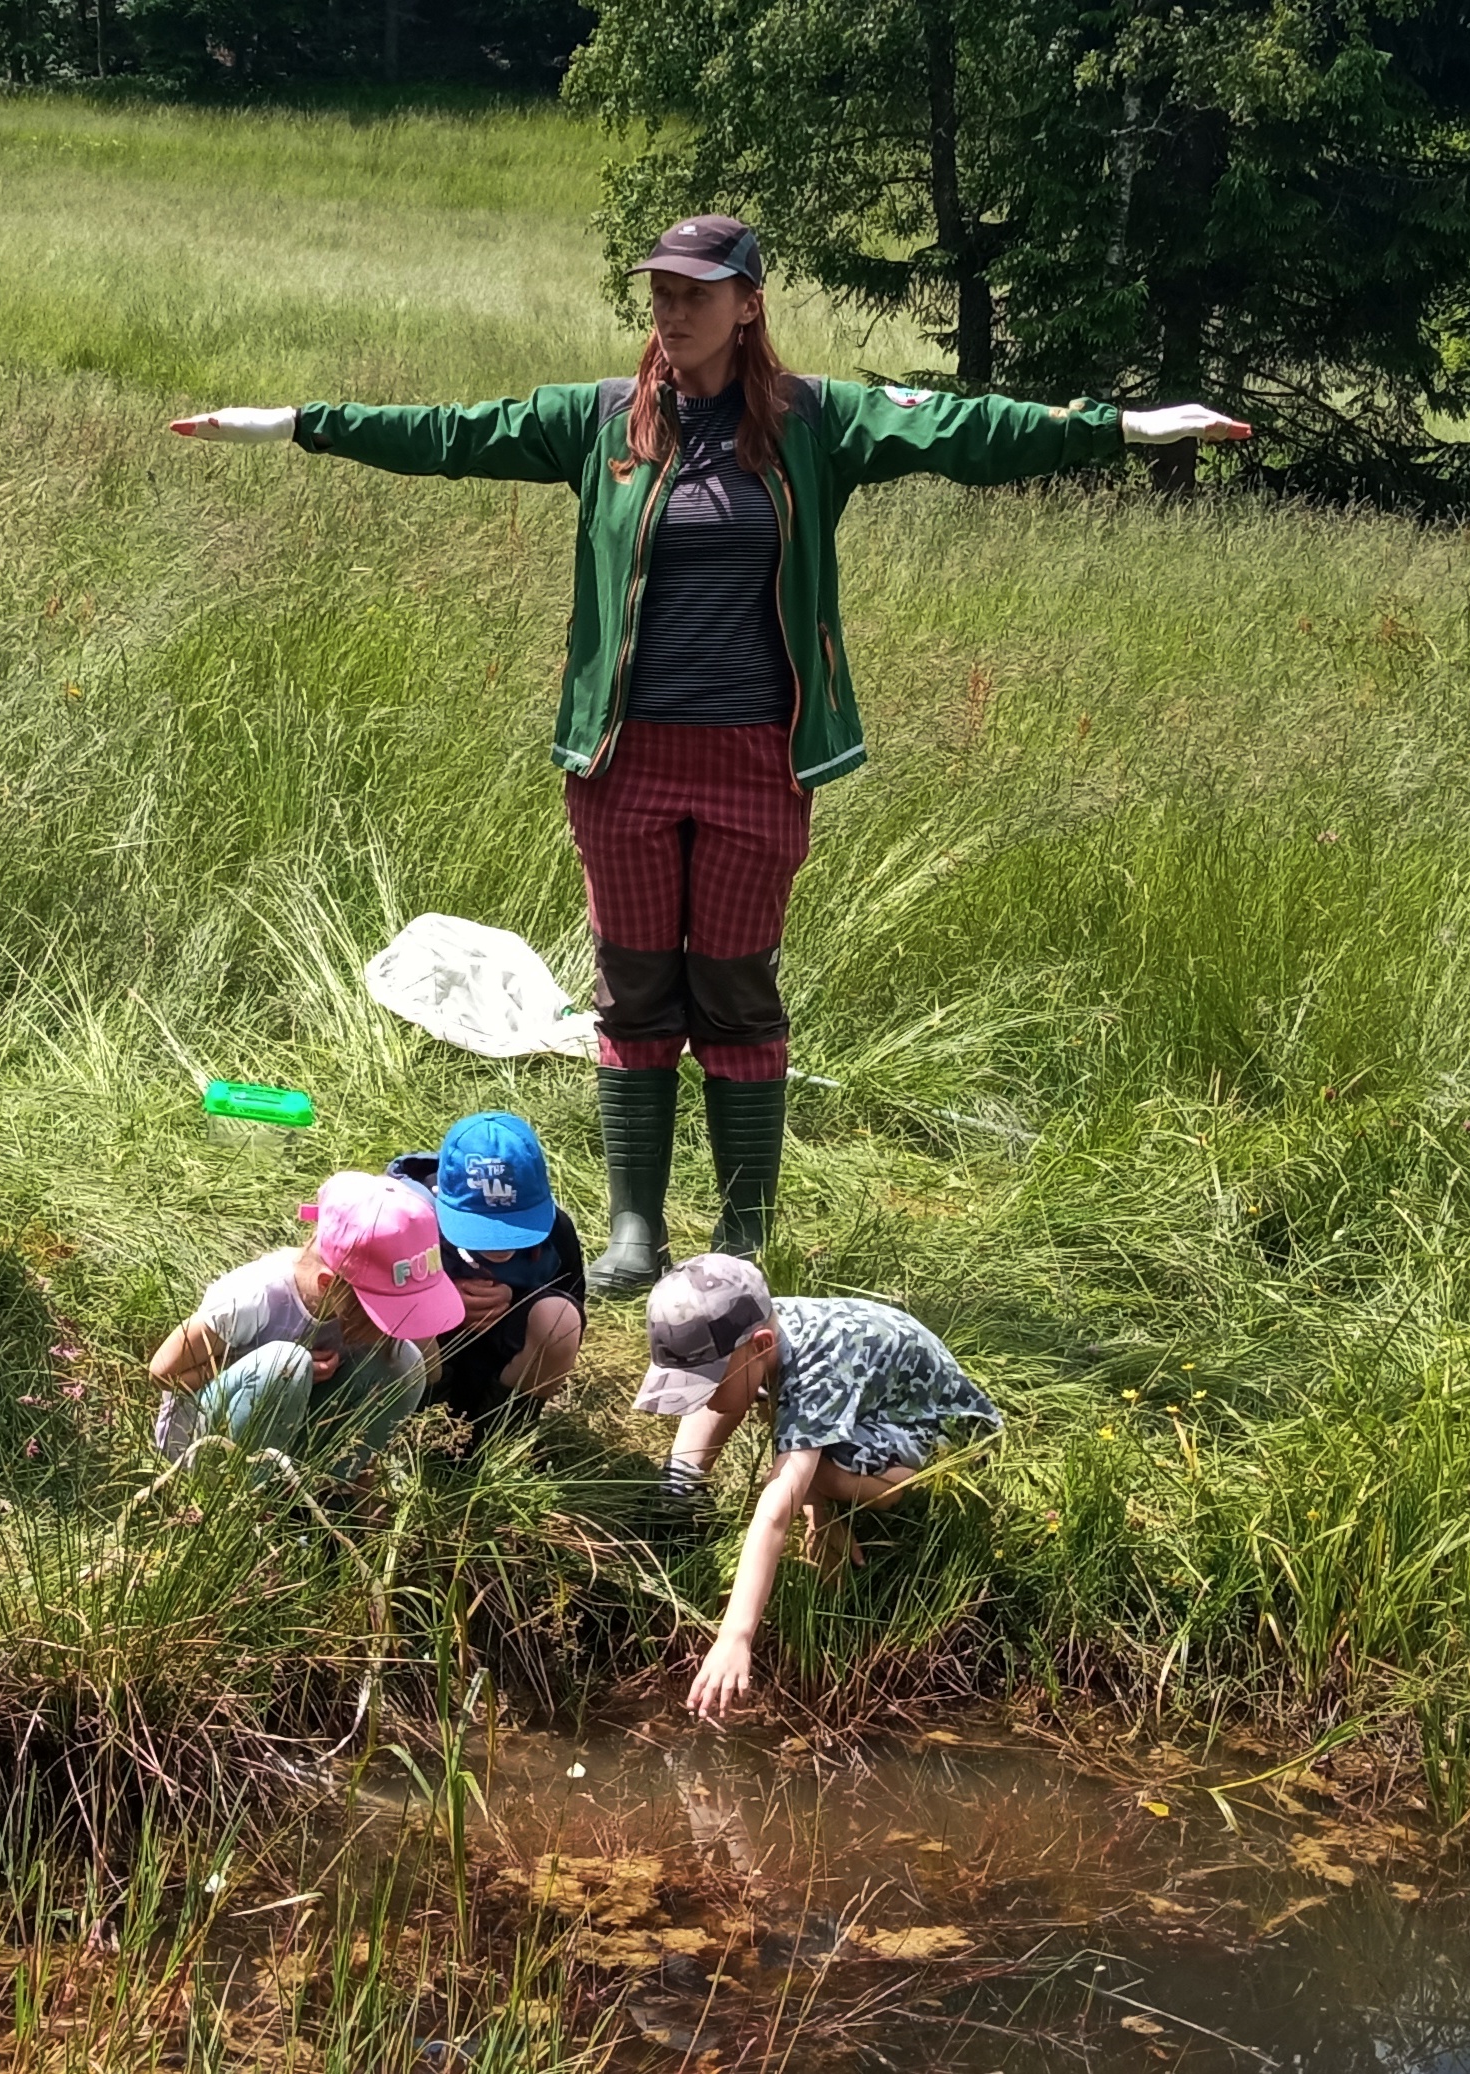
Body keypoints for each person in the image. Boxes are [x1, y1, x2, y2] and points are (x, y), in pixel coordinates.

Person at [171, 213, 1248, 1295]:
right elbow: (451, 433)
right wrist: (296, 424)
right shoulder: (597, 421)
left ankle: (742, 1235)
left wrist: (1122, 428)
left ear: (748, 304)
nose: (672, 310)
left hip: (755, 762)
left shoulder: (813, 421)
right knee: (635, 989)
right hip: (623, 760)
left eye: (696, 292)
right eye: (661, 292)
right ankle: (636, 1232)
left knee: (736, 992)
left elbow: (965, 428)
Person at [632, 1254, 1002, 1720]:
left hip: (930, 1424)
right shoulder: (758, 1334)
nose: (696, 1398)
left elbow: (773, 1511)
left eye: (702, 1383)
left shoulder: (814, 1366)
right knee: (753, 1400)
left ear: (760, 1343)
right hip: (854, 1400)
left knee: (821, 1468)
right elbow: (774, 1404)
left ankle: (876, 1486)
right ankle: (680, 1488)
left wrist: (735, 1637)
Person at [150, 1169, 463, 1480]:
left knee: (404, 1361)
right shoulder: (253, 1296)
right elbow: (162, 1373)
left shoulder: (346, 1305)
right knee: (285, 1364)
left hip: (285, 1431)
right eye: (384, 1305)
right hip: (202, 1438)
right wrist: (266, 1365)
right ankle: (247, 1497)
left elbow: (431, 1371)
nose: (393, 1319)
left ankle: (327, 1489)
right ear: (330, 1285)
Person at [386, 1111, 586, 1451]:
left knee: (560, 1320)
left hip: (502, 1365)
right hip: (426, 1368)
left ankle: (499, 1441)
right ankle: (426, 1437)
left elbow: (572, 1301)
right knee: (402, 1316)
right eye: (481, 1229)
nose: (499, 1246)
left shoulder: (556, 1230)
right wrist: (438, 1298)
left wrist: (516, 1296)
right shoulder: (406, 1218)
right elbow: (367, 1302)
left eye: (516, 1229)